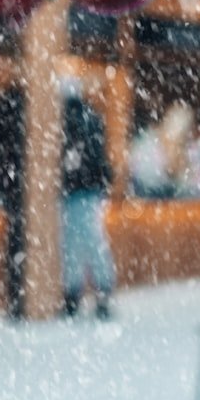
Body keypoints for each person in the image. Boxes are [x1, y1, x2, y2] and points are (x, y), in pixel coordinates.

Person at [60, 95, 117, 318]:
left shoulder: (70, 121)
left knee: (75, 246)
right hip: (89, 192)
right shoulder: (91, 118)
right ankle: (99, 293)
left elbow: (76, 159)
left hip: (77, 192)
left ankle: (75, 295)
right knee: (92, 243)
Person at [0, 87, 26, 320]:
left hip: (12, 187)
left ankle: (17, 300)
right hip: (22, 187)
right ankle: (21, 298)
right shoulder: (25, 109)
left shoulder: (2, 111)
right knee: (20, 244)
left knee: (15, 245)